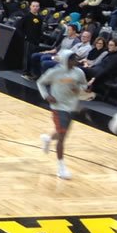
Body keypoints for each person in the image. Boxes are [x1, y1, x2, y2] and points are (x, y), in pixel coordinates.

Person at [37, 51, 93, 181]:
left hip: (72, 106)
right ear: (66, 60)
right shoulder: (55, 72)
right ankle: (61, 168)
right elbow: (40, 82)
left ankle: (48, 139)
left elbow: (83, 85)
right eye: (73, 59)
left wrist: (82, 89)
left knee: (62, 133)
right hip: (58, 106)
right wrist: (46, 96)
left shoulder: (78, 72)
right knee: (62, 137)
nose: (75, 61)